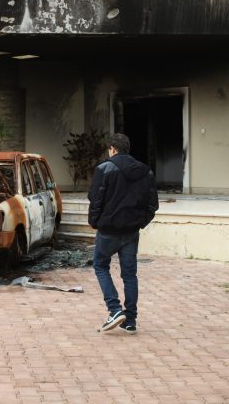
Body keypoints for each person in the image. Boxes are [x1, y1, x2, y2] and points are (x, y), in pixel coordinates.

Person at [88, 133, 158, 334]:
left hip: (108, 230)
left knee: (100, 266)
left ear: (112, 148)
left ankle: (115, 310)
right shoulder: (145, 171)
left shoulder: (104, 169)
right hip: (131, 231)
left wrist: (94, 222)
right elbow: (152, 204)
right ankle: (130, 320)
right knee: (129, 274)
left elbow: (95, 199)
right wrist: (140, 223)